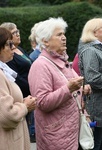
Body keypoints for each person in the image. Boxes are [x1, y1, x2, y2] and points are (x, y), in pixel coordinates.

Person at [28, 17, 91, 150]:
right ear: (45, 41)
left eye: (64, 34)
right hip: (56, 135)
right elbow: (42, 102)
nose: (64, 37)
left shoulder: (63, 61)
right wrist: (69, 89)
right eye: (59, 34)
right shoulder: (40, 65)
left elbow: (74, 89)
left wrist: (82, 88)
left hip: (72, 131)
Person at [78, 18, 102, 150]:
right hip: (96, 105)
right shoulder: (90, 51)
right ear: (94, 32)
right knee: (96, 144)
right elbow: (92, 78)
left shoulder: (101, 49)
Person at [0, 27, 36, 150]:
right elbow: (7, 116)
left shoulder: (3, 70)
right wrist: (25, 106)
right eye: (9, 44)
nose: (13, 48)